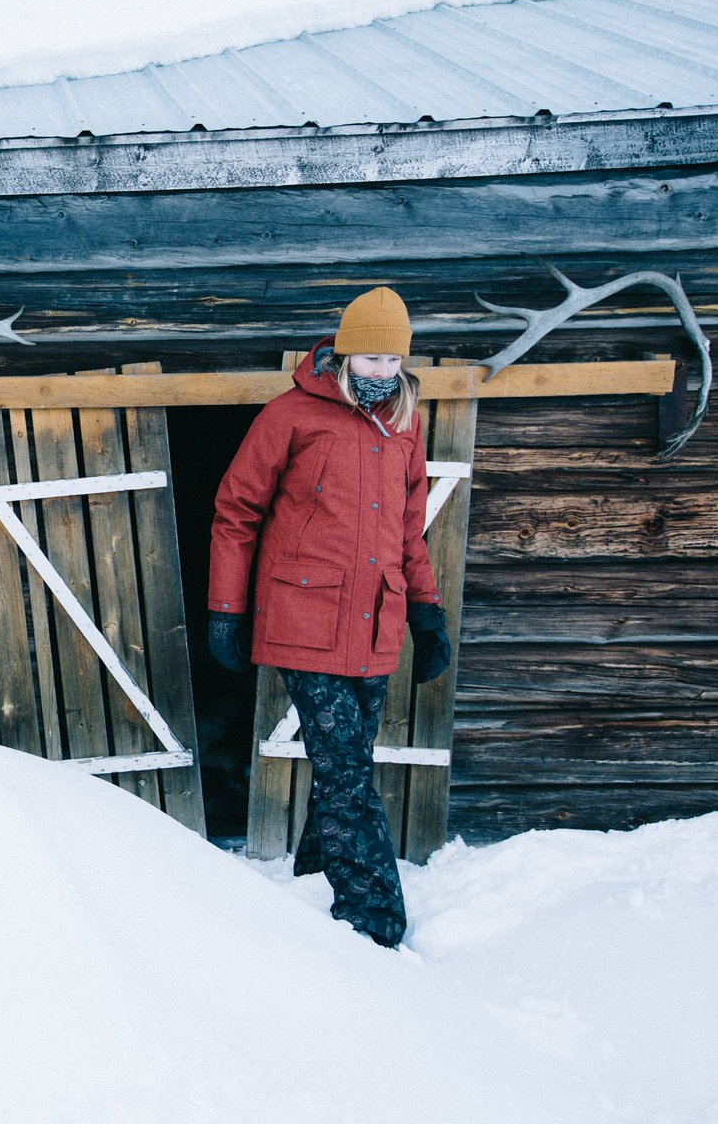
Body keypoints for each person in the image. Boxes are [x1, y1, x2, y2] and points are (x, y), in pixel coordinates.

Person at [207, 286, 451, 948]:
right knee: (346, 770)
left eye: (391, 360)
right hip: (302, 623)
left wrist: (427, 612)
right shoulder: (290, 416)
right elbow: (237, 511)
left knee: (348, 761)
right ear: (342, 353)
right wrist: (226, 608)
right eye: (369, 358)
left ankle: (312, 879)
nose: (381, 372)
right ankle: (371, 914)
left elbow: (409, 531)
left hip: (375, 627)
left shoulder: (404, 425)